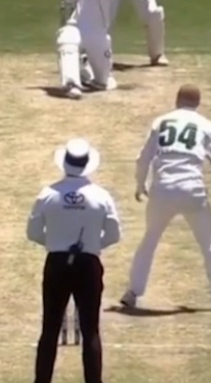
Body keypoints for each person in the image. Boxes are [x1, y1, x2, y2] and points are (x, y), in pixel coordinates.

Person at [120, 84, 211, 312]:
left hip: (163, 189)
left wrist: (141, 184)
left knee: (150, 240)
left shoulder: (161, 122)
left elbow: (143, 158)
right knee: (208, 242)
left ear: (177, 100)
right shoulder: (206, 125)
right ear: (198, 103)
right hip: (193, 191)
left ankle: (133, 293)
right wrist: (205, 153)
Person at [27, 138, 122, 383]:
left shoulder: (48, 194)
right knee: (91, 330)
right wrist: (91, 247)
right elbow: (113, 234)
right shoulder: (101, 196)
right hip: (88, 265)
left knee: (50, 329)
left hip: (57, 264)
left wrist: (56, 244)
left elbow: (33, 232)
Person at [54, 0, 126, 99]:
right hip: (77, 26)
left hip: (97, 33)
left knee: (103, 82)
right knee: (66, 39)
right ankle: (71, 84)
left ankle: (86, 69)